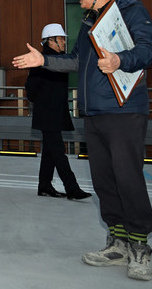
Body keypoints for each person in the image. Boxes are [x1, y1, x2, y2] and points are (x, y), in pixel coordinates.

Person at [13, 0, 152, 281]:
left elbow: (150, 49)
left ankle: (140, 247)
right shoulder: (89, 22)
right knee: (104, 179)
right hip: (94, 114)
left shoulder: (132, 11)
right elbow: (77, 60)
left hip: (124, 111)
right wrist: (43, 60)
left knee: (128, 178)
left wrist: (120, 59)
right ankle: (118, 242)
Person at [24, 23, 91, 200]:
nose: (64, 42)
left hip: (53, 113)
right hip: (48, 114)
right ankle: (72, 188)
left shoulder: (60, 59)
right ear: (51, 41)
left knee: (50, 151)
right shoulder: (42, 60)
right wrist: (43, 102)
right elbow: (31, 88)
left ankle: (44, 186)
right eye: (61, 39)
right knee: (58, 151)